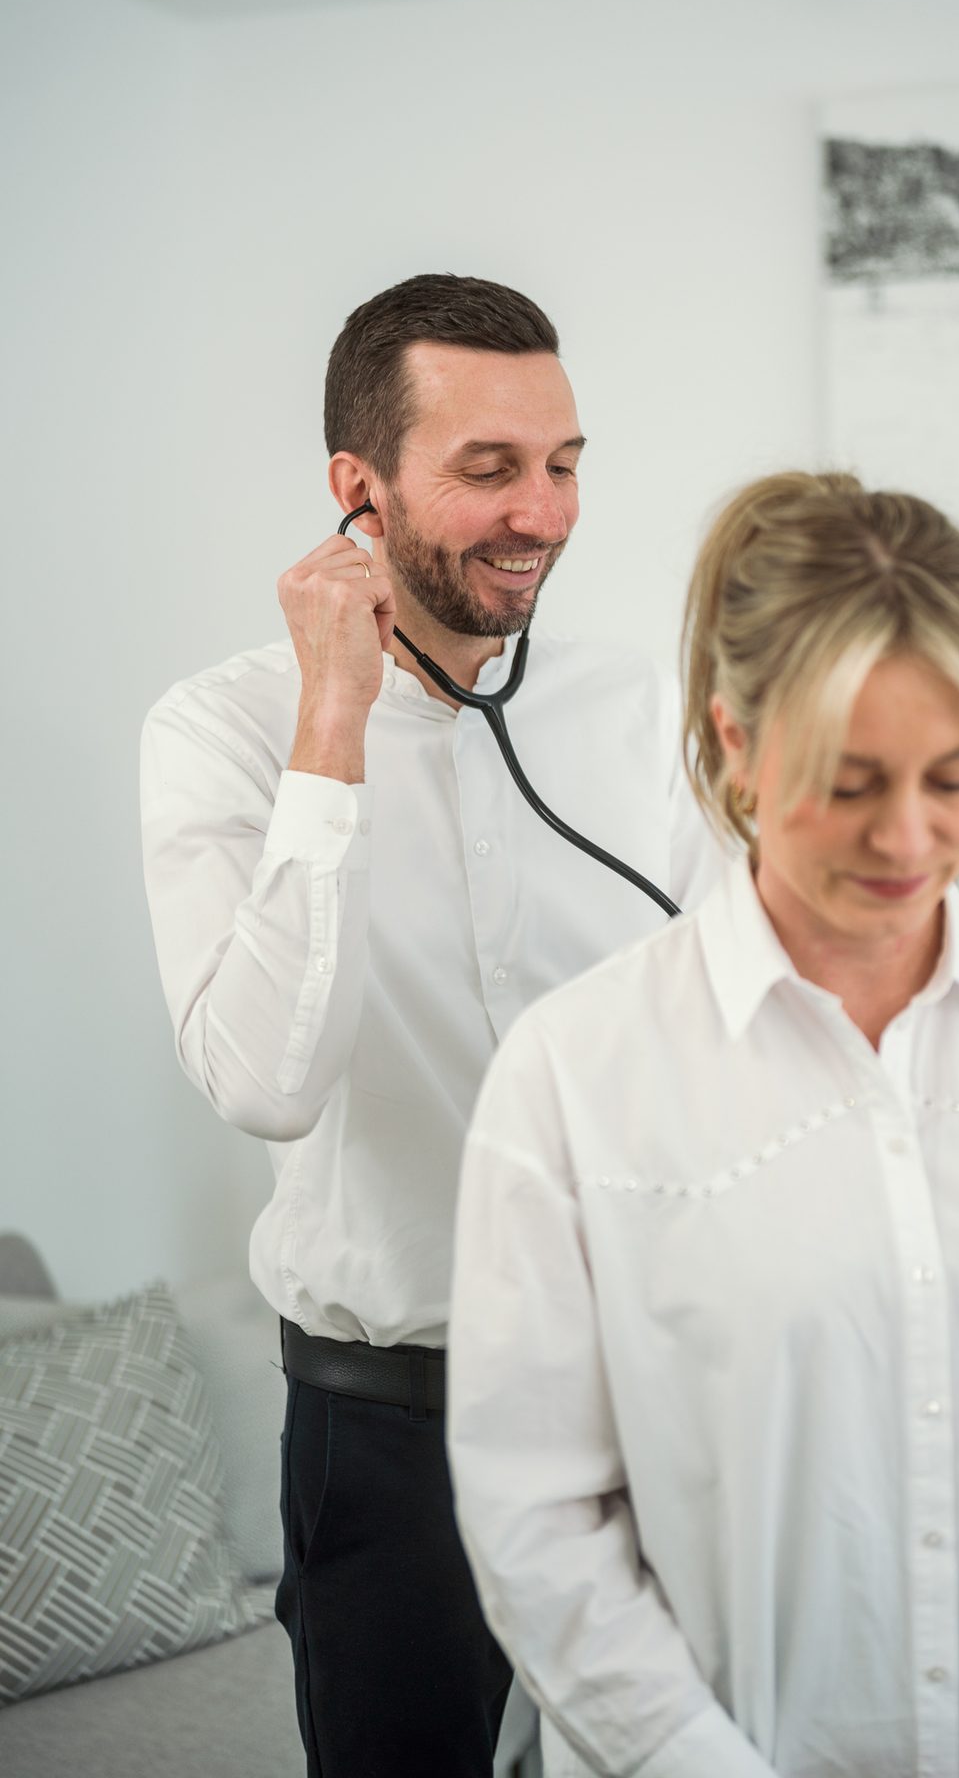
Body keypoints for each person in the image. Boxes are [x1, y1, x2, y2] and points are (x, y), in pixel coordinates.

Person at [447, 470, 959, 1778]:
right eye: (851, 784)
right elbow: (537, 1518)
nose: (910, 837)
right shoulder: (577, 1076)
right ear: (733, 742)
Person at [139, 273, 721, 1778]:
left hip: (659, 1403)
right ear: (358, 490)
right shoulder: (218, 732)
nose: (544, 512)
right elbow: (264, 1080)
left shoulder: (641, 716)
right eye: (488, 469)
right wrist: (332, 728)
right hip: (390, 1434)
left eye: (565, 462)